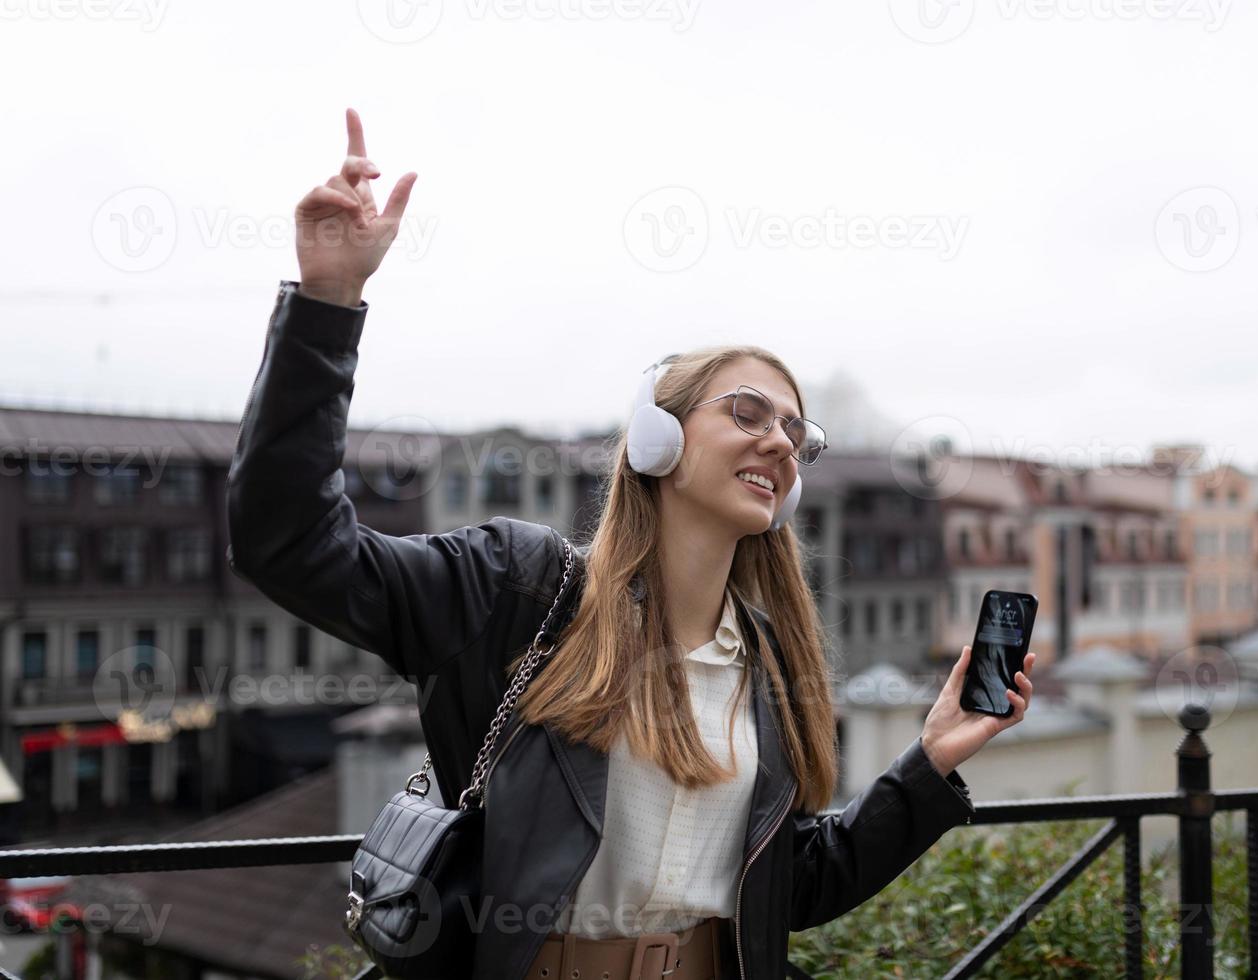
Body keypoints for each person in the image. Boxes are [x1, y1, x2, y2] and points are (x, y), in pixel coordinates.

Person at [225, 107, 1036, 980]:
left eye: (796, 431)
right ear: (657, 438)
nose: (779, 441)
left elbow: (793, 887)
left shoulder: (765, 659)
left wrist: (933, 760)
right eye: (748, 413)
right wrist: (326, 304)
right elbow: (291, 543)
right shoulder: (517, 589)